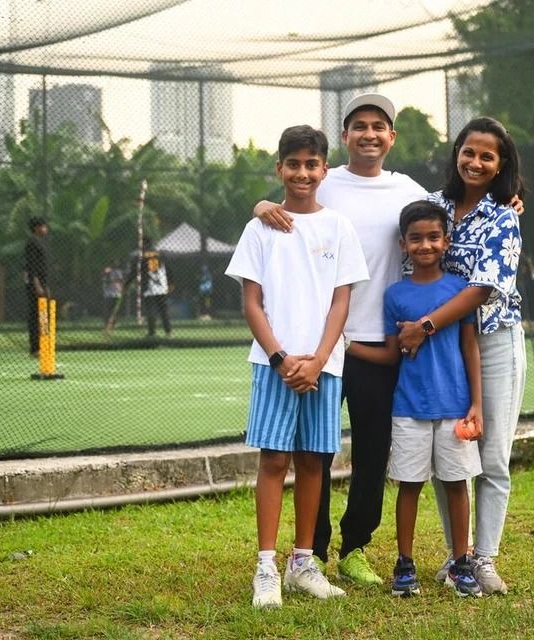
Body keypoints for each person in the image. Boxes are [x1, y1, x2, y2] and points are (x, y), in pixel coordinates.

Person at [254, 94, 524, 585]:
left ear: (392, 136)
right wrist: (263, 204)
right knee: (311, 452)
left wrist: (508, 199)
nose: (370, 134)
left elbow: (445, 218)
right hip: (319, 348)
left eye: (379, 126)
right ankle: (307, 553)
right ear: (345, 136)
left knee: (374, 454)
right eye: (360, 126)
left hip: (380, 345)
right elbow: (281, 203)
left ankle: (355, 547)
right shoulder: (322, 179)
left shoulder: (409, 190)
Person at [226, 125, 369, 609]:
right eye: (294, 164)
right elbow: (252, 303)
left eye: (312, 164)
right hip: (275, 367)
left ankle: (302, 563)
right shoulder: (260, 227)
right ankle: (266, 566)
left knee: (314, 462)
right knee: (274, 461)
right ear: (280, 169)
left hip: (324, 369)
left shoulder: (339, 227)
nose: (303, 173)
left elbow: (340, 303)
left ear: (324, 169)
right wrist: (282, 358)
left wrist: (320, 358)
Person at [397, 117, 527, 596]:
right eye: (468, 152)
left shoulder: (503, 216)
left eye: (487, 156)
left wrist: (426, 324)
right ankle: (458, 559)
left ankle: (483, 559)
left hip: (491, 342)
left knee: (491, 455)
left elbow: (484, 288)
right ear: (457, 153)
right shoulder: (433, 205)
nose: (475, 162)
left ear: (501, 165)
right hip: (441, 349)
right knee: (445, 450)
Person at [347, 201, 484, 598]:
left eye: (433, 237)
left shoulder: (460, 292)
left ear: (446, 241)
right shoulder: (395, 295)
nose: (425, 245)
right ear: (403, 245)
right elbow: (391, 354)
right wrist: (346, 346)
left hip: (455, 407)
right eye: (416, 238)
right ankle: (404, 565)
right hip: (408, 409)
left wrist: (476, 404)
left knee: (457, 485)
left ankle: (462, 563)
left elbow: (470, 348)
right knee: (409, 486)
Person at [127, 236, 172, 337]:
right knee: (163, 309)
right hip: (161, 285)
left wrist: (126, 284)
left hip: (149, 286)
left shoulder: (140, 256)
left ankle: (152, 332)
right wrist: (170, 282)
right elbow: (167, 268)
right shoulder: (160, 253)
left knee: (150, 309)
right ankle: (168, 331)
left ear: (143, 243)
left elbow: (134, 272)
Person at [23, 216, 50, 357]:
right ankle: (35, 348)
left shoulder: (40, 242)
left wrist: (45, 286)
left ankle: (44, 344)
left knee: (44, 315)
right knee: (35, 315)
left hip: (42, 283)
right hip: (35, 285)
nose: (46, 228)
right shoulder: (32, 243)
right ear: (37, 228)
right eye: (43, 226)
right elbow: (31, 266)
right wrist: (37, 285)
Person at [101, 260, 124, 325]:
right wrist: (107, 273)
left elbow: (120, 281)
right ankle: (107, 322)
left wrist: (121, 289)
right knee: (108, 309)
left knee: (115, 310)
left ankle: (114, 322)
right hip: (108, 293)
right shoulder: (107, 270)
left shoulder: (118, 271)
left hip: (116, 293)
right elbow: (104, 279)